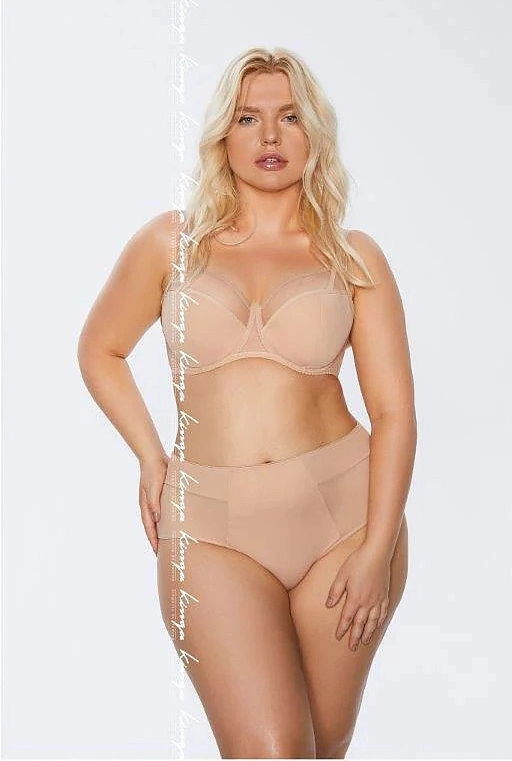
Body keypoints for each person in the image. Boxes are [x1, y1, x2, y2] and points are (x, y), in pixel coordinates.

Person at [77, 47, 416, 760]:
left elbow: (393, 414)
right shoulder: (170, 243)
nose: (269, 135)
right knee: (272, 750)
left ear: (314, 133)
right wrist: (150, 456)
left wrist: (378, 547)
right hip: (209, 530)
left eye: (289, 117)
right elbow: (100, 349)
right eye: (247, 117)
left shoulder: (353, 256)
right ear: (221, 136)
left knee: (321, 748)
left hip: (342, 522)